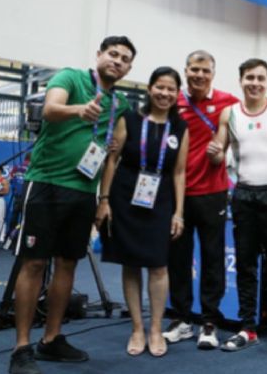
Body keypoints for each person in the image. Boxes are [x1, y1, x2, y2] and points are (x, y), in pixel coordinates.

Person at [8, 36, 135, 374]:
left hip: (84, 193)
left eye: (124, 59)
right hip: (47, 184)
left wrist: (104, 198)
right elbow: (50, 110)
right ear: (99, 55)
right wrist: (78, 109)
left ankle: (52, 339)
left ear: (129, 68)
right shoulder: (70, 78)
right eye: (112, 54)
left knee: (67, 265)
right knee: (34, 264)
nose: (117, 61)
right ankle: (22, 348)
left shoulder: (119, 104)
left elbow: (113, 157)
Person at [96, 66, 189, 357]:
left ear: (177, 94)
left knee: (159, 265)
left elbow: (179, 172)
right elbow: (112, 160)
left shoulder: (180, 127)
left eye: (171, 89)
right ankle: (137, 327)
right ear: (150, 89)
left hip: (160, 200)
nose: (165, 93)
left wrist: (178, 213)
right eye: (159, 87)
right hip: (125, 196)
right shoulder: (131, 119)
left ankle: (155, 327)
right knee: (130, 264)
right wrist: (105, 199)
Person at [207, 58, 267, 353]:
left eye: (260, 78)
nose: (255, 83)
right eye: (249, 78)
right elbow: (218, 154)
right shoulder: (228, 114)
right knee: (246, 265)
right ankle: (248, 327)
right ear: (241, 80)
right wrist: (214, 153)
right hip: (244, 196)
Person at [163, 51, 238, 349]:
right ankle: (181, 318)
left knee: (212, 258)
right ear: (186, 70)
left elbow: (231, 137)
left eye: (205, 70)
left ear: (213, 73)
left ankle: (209, 321)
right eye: (194, 69)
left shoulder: (228, 102)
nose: (199, 75)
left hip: (212, 192)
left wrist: (222, 153)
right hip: (177, 194)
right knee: (177, 258)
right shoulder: (174, 102)